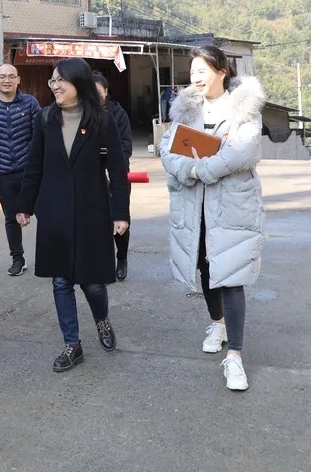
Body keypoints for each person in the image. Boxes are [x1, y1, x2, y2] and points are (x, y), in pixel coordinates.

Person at [160, 46, 266, 392]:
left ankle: (235, 356)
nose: (196, 77)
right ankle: (217, 323)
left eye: (203, 70)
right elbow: (167, 148)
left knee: (231, 276)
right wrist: (189, 169)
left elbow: (243, 151)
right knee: (205, 267)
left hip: (231, 206)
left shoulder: (243, 108)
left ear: (222, 71)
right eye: (193, 71)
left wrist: (202, 168)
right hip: (195, 205)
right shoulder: (186, 109)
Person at [18, 59, 130, 372]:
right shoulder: (45, 118)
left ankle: (102, 319)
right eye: (52, 81)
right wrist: (25, 205)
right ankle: (73, 344)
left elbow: (117, 170)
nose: (54, 86)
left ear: (77, 83)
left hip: (92, 210)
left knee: (92, 282)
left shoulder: (101, 119)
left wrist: (120, 213)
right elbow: (34, 164)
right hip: (54, 211)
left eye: (60, 81)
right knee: (61, 281)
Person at [0, 63, 40, 276]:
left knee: (45, 213)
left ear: (18, 80)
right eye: (2, 76)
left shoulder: (30, 103)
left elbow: (39, 137)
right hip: (4, 171)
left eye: (11, 76)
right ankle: (17, 258)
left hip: (30, 171)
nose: (7, 80)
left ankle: (49, 255)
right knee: (11, 217)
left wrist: (38, 166)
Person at [93, 72, 134, 280]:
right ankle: (102, 261)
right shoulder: (83, 115)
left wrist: (113, 166)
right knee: (98, 222)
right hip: (92, 178)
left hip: (116, 176)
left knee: (120, 219)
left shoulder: (118, 114)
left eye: (98, 92)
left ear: (106, 91)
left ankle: (122, 257)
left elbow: (125, 147)